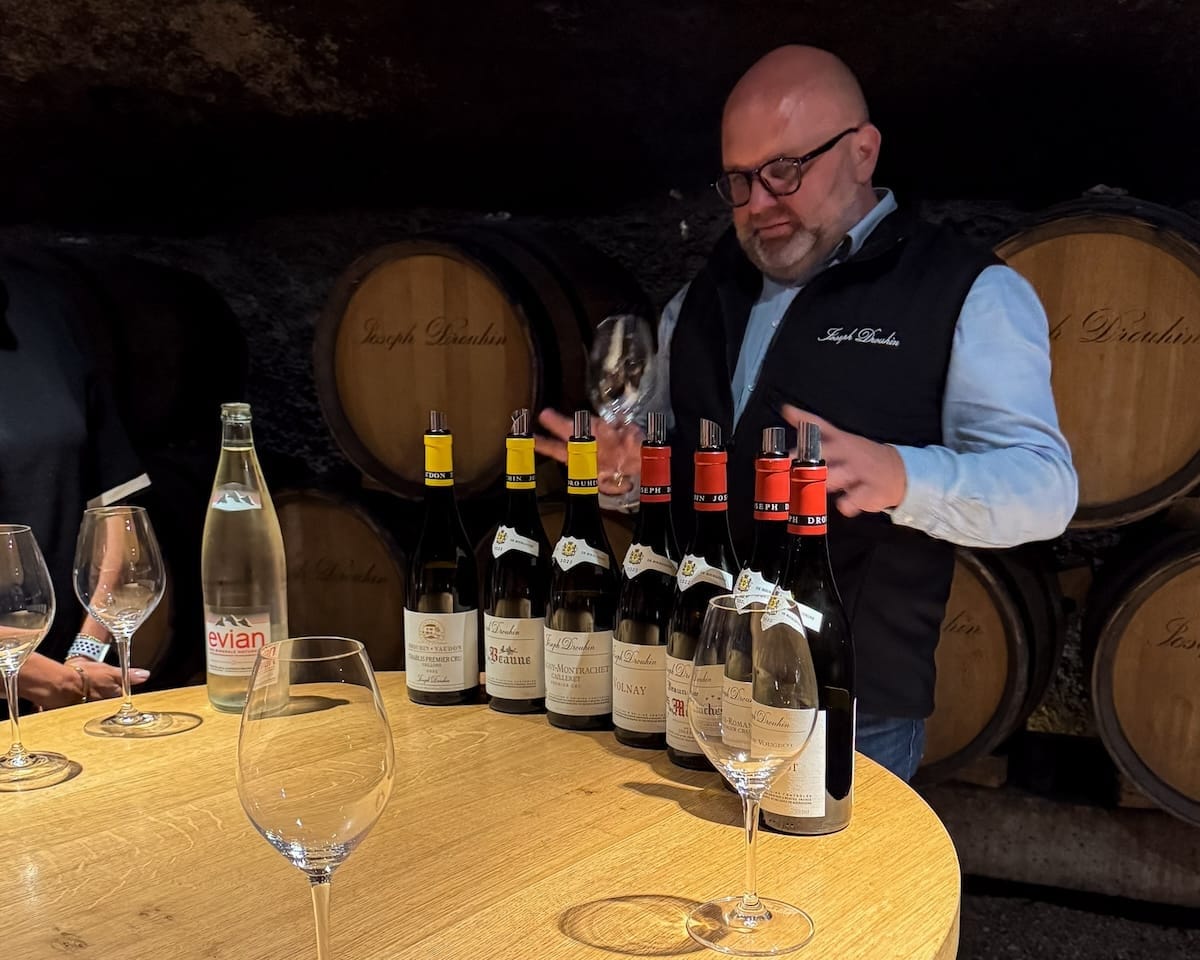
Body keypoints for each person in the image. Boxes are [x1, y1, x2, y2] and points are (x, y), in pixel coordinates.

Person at [537, 44, 1077, 781]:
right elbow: (675, 467)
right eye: (738, 181)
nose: (758, 203)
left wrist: (902, 477)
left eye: (785, 170)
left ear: (862, 151)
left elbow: (1045, 488)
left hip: (847, 703)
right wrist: (628, 476)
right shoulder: (698, 299)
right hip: (695, 671)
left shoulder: (967, 291)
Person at [0, 249, 152, 710]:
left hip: (65, 689)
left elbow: (115, 508)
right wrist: (35, 675)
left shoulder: (39, 303)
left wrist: (83, 656)